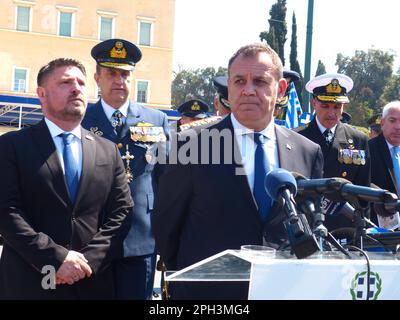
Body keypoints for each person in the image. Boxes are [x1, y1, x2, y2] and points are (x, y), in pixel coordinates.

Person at [153, 43, 323, 299]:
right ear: (229, 88)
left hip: (282, 290)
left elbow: (312, 223)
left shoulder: (306, 151)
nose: (248, 90)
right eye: (239, 81)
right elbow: (166, 225)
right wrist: (185, 281)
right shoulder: (192, 145)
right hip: (206, 294)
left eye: (260, 81)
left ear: (281, 89)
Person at [0, 58, 133, 299]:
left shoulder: (107, 150)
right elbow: (6, 211)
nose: (76, 88)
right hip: (31, 281)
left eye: (81, 83)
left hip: (91, 282)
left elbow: (122, 211)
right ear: (42, 93)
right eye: (65, 82)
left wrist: (87, 262)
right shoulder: (11, 146)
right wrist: (56, 259)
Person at [81, 39, 169, 300]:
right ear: (97, 78)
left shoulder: (156, 120)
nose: (119, 80)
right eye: (111, 73)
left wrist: (167, 236)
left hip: (141, 237)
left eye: (125, 74)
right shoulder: (81, 119)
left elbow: (166, 179)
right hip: (91, 237)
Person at [295, 73, 371, 231]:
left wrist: (363, 228)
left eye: (337, 107)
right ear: (314, 103)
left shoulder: (358, 139)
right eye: (325, 106)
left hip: (344, 227)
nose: (332, 113)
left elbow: (363, 190)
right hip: (306, 225)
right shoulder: (295, 136)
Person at [369, 102, 400, 225]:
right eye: (392, 121)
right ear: (382, 123)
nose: (398, 126)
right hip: (378, 229)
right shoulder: (368, 150)